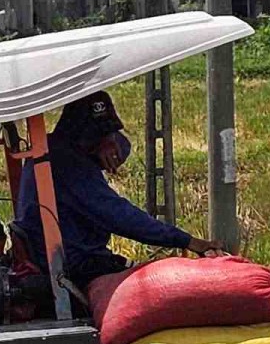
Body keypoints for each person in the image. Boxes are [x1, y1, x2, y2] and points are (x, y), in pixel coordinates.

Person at [13, 90, 225, 288]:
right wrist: (187, 241)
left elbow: (122, 146)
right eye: (94, 137)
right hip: (75, 266)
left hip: (70, 257)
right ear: (77, 132)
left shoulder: (55, 148)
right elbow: (119, 216)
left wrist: (106, 141)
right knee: (167, 284)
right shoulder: (66, 163)